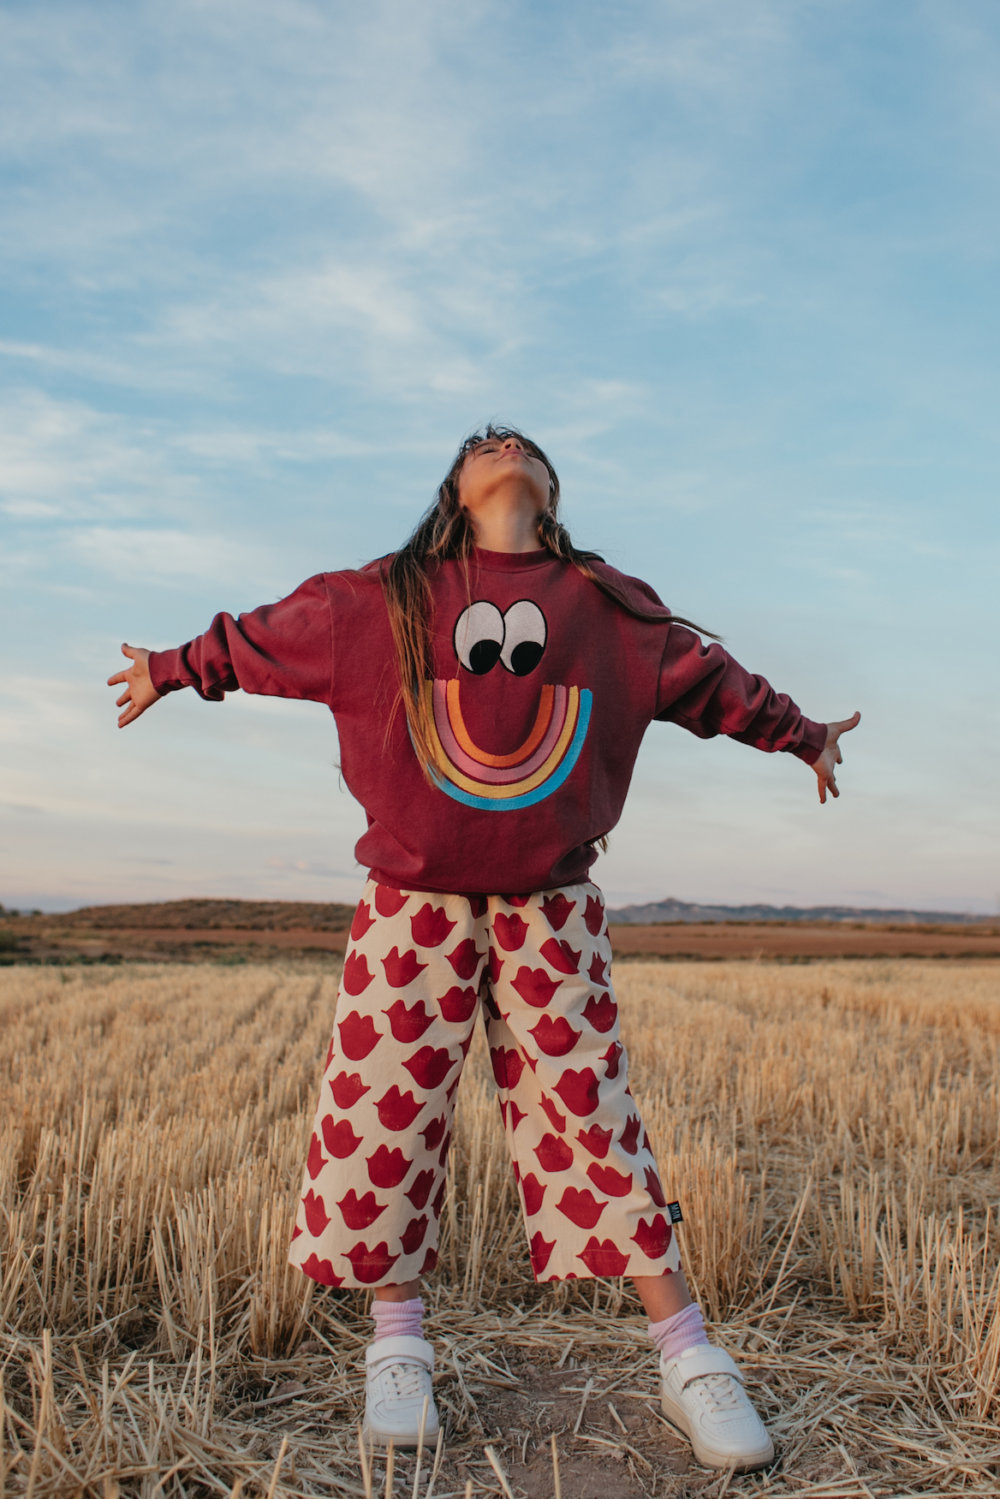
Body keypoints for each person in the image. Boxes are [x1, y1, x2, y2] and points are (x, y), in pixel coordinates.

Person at [109, 426, 859, 1472]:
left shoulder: (608, 607)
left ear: (548, 491)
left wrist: (803, 731)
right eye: (481, 443)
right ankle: (398, 1347)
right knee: (384, 1110)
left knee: (593, 1112)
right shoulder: (386, 596)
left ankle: (687, 1355)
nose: (502, 442)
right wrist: (173, 667)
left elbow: (713, 681)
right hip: (409, 898)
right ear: (457, 491)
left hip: (551, 904)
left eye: (523, 443)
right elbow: (271, 635)